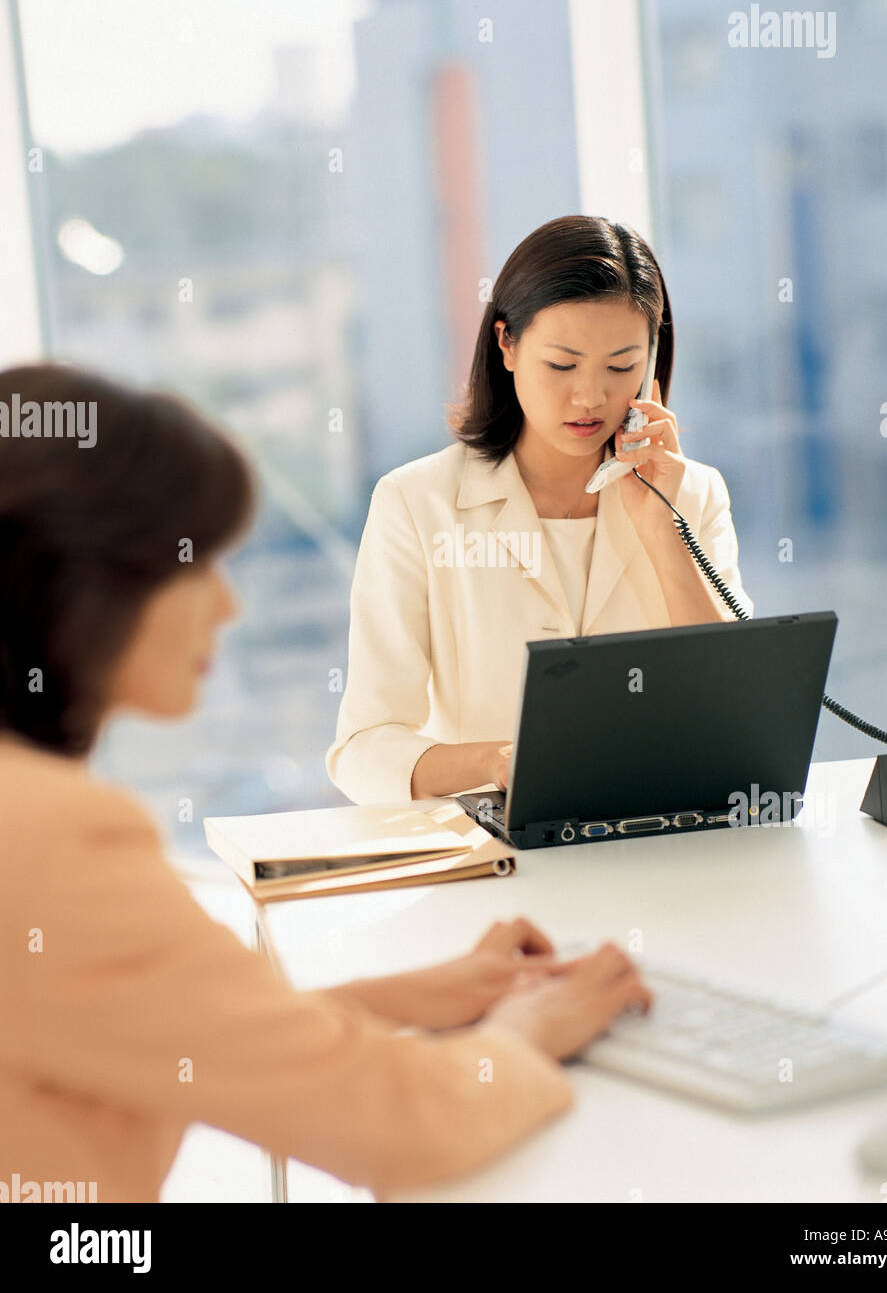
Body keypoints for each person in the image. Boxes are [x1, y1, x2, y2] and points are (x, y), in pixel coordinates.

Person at [0, 361, 650, 1204]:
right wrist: (522, 1036)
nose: (227, 608)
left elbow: (158, 1028)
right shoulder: (48, 838)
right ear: (84, 582)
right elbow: (399, 1124)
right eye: (196, 566)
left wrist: (420, 994)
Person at [326, 215, 754, 805]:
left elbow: (739, 715)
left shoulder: (694, 494)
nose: (591, 397)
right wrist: (501, 761)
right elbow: (364, 750)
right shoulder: (416, 503)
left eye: (622, 367)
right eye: (562, 364)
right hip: (495, 862)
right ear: (506, 344)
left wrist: (663, 529)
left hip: (666, 841)